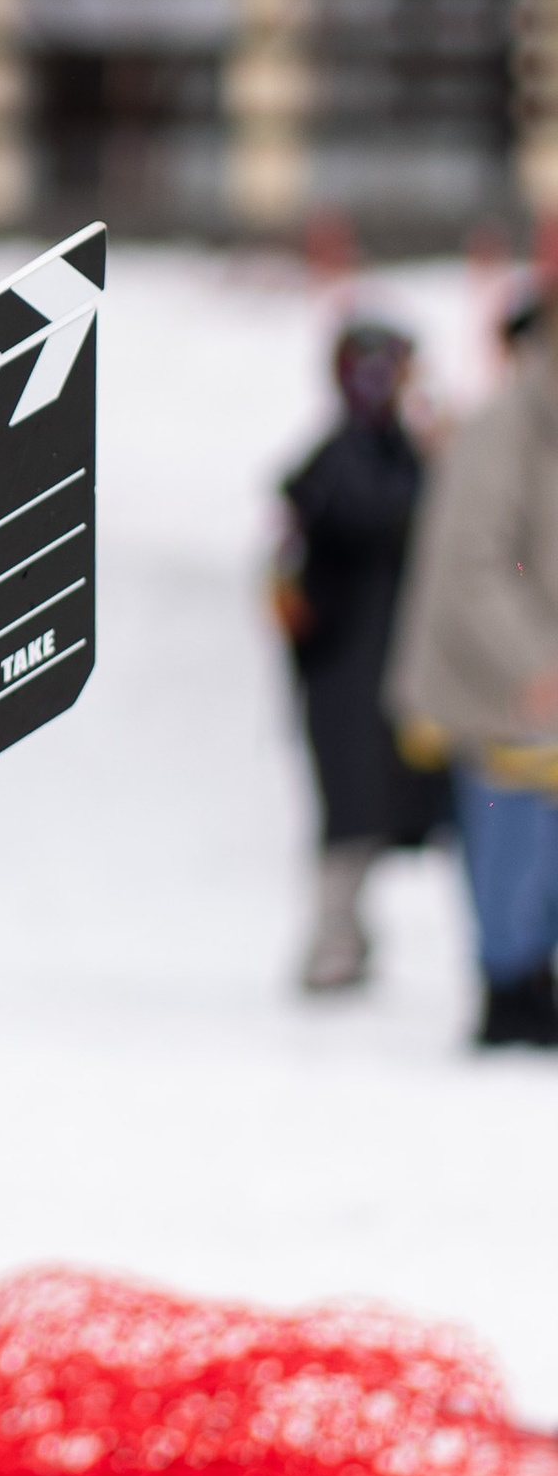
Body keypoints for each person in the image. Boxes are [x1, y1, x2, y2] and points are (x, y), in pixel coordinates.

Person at [389, 288, 558, 1046]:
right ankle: (510, 986)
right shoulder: (504, 429)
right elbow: (473, 564)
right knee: (512, 839)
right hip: (501, 683)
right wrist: (535, 661)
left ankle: (527, 976)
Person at [273, 321, 447, 994]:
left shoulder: (392, 451)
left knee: (399, 804)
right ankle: (335, 941)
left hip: (387, 661)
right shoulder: (348, 459)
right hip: (350, 668)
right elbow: (373, 520)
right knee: (351, 808)